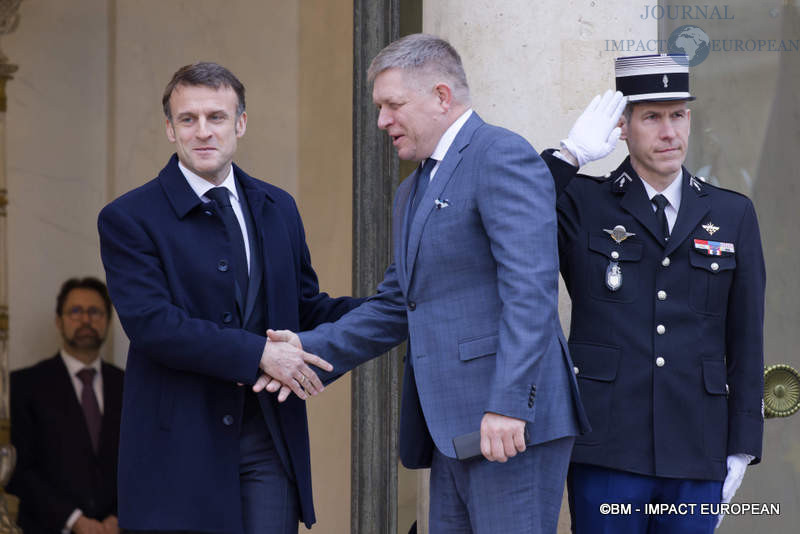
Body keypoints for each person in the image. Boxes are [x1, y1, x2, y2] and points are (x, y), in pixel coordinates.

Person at [261, 34, 589, 534]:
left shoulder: (500, 154)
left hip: (507, 426)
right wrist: (307, 348)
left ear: (441, 96)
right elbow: (397, 304)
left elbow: (531, 291)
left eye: (393, 105)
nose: (382, 121)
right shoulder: (413, 188)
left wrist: (507, 402)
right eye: (379, 107)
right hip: (451, 428)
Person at [97, 62, 361, 534]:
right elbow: (153, 324)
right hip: (178, 448)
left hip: (268, 439)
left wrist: (391, 310)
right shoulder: (128, 217)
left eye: (216, 117)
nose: (203, 132)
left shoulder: (279, 206)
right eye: (188, 119)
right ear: (169, 128)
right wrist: (260, 354)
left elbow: (303, 308)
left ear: (240, 123)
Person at [539, 54, 765, 533]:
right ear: (622, 126)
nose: (669, 132)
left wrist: (742, 443)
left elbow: (746, 337)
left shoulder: (733, 214)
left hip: (697, 446)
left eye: (678, 115)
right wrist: (568, 158)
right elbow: (513, 219)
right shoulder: (582, 201)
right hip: (608, 444)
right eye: (652, 117)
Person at [9, 277, 123, 534]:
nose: (85, 320)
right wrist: (74, 520)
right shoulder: (24, 385)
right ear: (58, 321)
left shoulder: (129, 387)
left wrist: (119, 516)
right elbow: (17, 467)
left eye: (95, 311)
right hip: (49, 527)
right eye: (75, 311)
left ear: (108, 320)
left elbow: (144, 462)